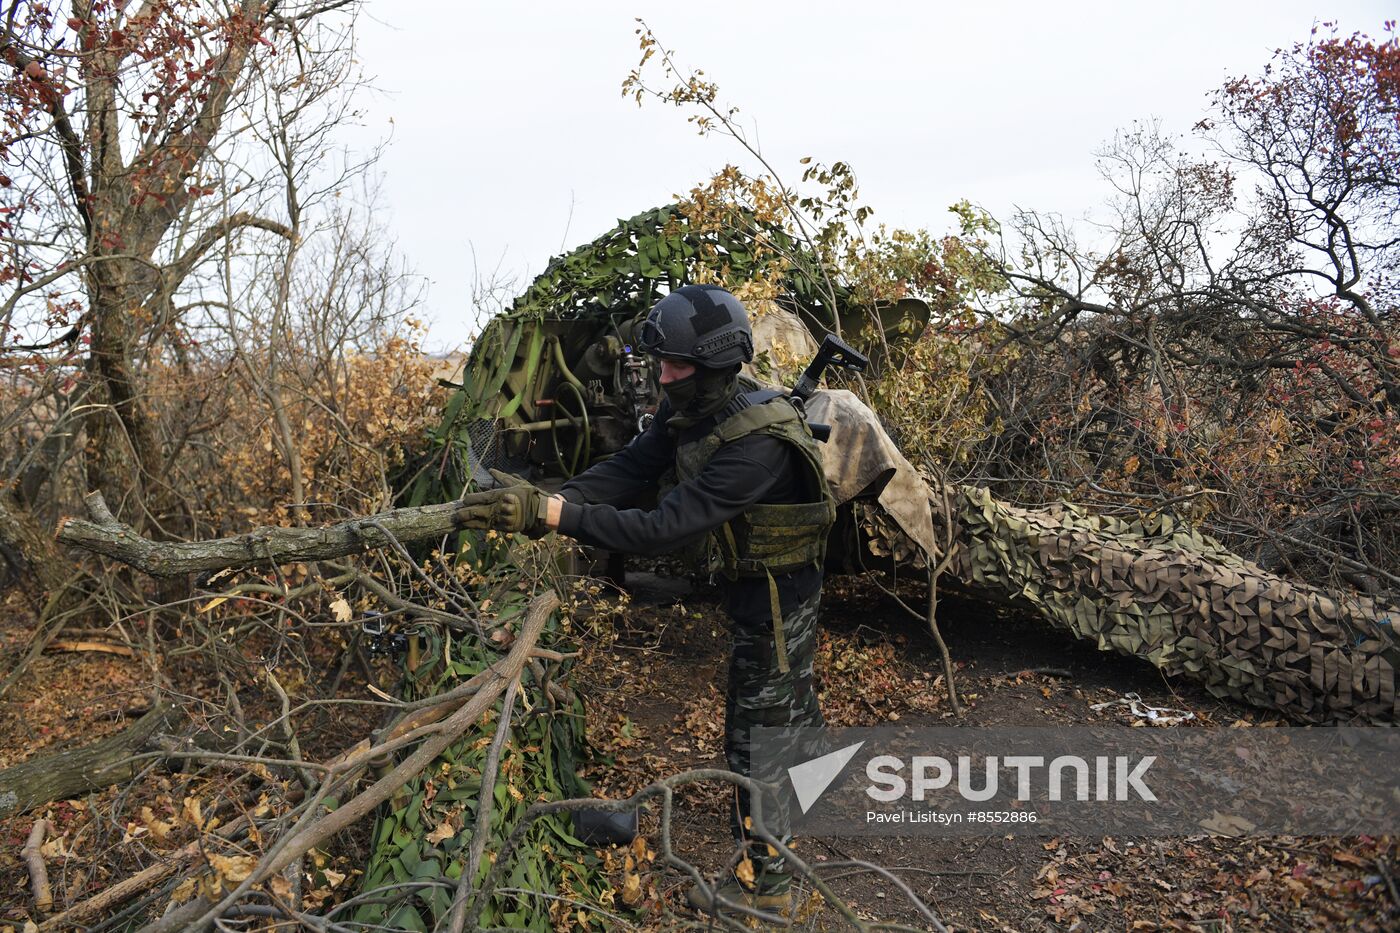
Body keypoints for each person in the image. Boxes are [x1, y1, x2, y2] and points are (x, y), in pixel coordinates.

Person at [462, 284, 835, 914]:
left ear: (717, 366)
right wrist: (552, 505)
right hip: (754, 584)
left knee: (755, 733)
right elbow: (632, 468)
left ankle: (769, 894)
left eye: (676, 366)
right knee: (788, 707)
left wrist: (556, 515)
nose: (663, 377)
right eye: (660, 363)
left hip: (775, 596)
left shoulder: (756, 444)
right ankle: (810, 787)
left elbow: (663, 525)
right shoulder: (692, 406)